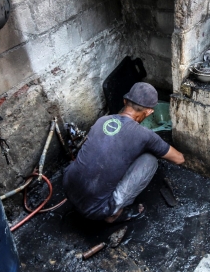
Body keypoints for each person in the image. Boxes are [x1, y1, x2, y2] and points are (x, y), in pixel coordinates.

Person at [62, 82, 185, 223]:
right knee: (150, 160)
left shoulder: (102, 120)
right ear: (149, 112)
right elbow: (179, 159)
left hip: (68, 188)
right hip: (95, 210)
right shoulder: (144, 135)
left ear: (125, 101)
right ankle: (113, 212)